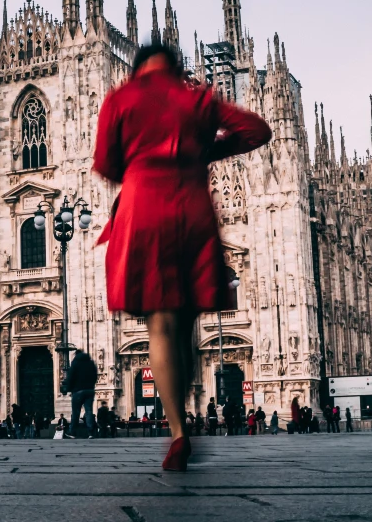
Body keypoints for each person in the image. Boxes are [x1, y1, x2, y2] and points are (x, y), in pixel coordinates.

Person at [94, 43, 271, 470]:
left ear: (137, 68)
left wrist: (137, 167)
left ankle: (178, 433)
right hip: (190, 209)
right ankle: (189, 406)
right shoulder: (197, 98)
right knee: (188, 317)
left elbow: (104, 162)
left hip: (143, 210)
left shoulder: (121, 97)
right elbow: (257, 130)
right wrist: (202, 151)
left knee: (159, 324)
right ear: (176, 67)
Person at [65, 349, 98, 438]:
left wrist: (69, 388)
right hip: (90, 390)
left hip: (78, 390)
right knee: (89, 411)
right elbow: (95, 376)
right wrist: (91, 385)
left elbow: (71, 376)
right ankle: (91, 432)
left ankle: (72, 432)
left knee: (76, 412)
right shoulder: (91, 363)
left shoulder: (75, 363)